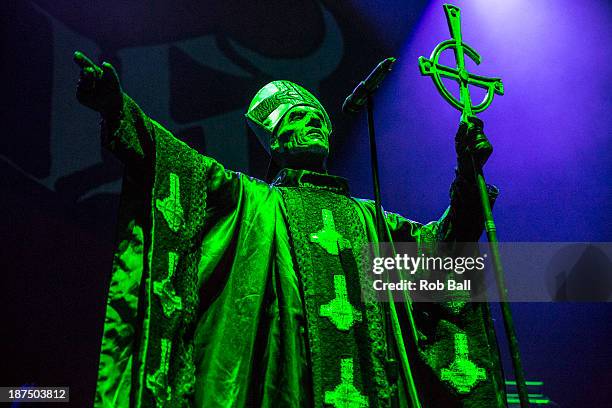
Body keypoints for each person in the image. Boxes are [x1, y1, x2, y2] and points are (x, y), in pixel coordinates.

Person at [74, 50, 506, 408]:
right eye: (299, 117)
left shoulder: (370, 219)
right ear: (275, 143)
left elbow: (443, 253)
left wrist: (469, 177)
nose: (315, 122)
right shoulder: (256, 202)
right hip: (291, 379)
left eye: (319, 117)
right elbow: (182, 167)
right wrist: (118, 111)